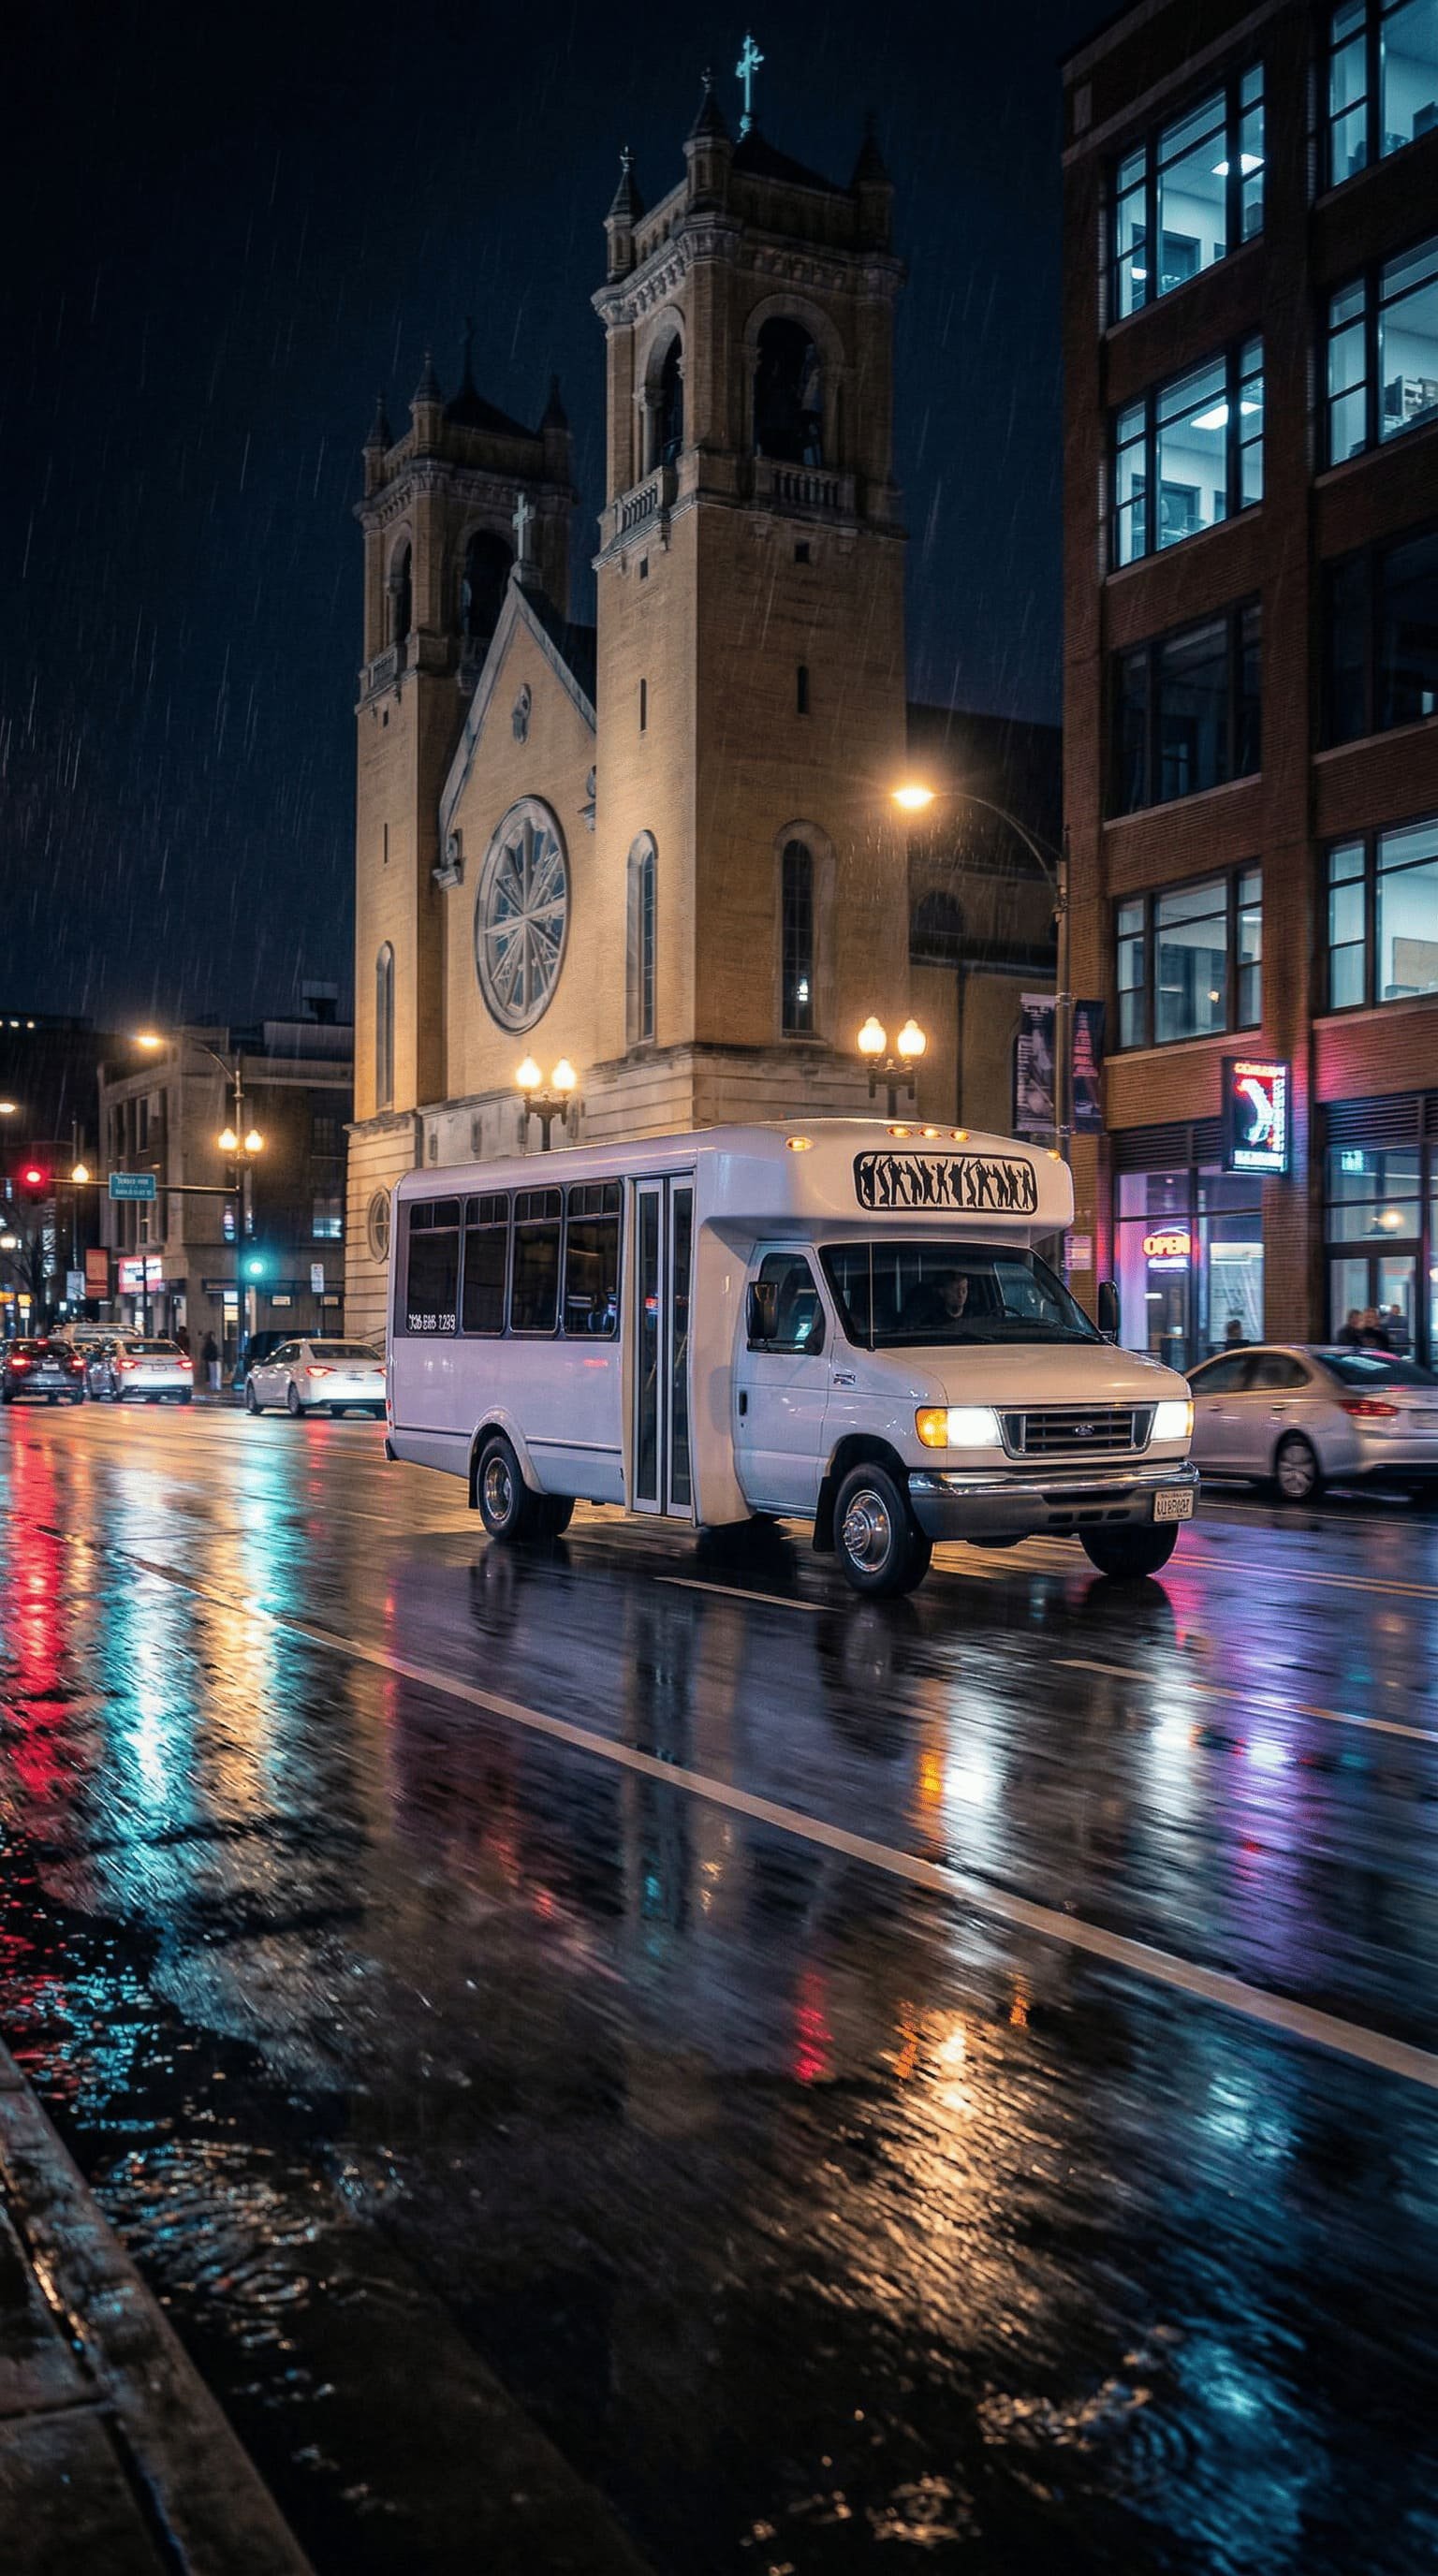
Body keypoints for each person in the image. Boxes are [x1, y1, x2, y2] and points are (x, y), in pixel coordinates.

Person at [902, 1268, 970, 1334]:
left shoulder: (975, 1316)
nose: (960, 1294)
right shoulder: (931, 1322)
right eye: (954, 1290)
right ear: (941, 1292)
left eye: (964, 1289)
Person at [201, 1328, 220, 1393]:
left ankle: (211, 1386)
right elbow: (208, 1352)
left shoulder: (209, 1343)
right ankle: (211, 1386)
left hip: (211, 1359)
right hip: (211, 1360)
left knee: (210, 1373)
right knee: (210, 1373)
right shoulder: (210, 1344)